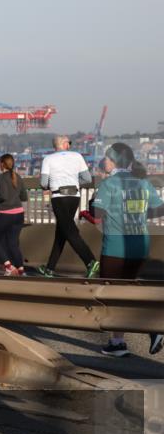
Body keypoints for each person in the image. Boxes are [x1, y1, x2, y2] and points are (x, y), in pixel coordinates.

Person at [90, 143, 164, 357]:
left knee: (111, 295)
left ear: (113, 161)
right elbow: (159, 208)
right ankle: (117, 342)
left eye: (106, 158)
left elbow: (98, 214)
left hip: (116, 246)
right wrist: (139, 216)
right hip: (140, 245)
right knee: (125, 292)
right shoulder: (143, 183)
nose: (103, 161)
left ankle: (152, 328)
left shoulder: (108, 184)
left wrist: (93, 204)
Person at [37, 135, 99, 278]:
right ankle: (50, 269)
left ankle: (90, 261)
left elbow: (43, 183)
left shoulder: (48, 159)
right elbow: (88, 179)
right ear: (64, 144)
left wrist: (50, 185)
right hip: (74, 197)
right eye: (69, 143)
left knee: (69, 231)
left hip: (59, 197)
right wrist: (74, 183)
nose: (70, 145)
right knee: (62, 231)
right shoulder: (77, 156)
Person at [0, 154, 28, 277]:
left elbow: (3, 196)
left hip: (4, 214)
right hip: (18, 214)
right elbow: (24, 197)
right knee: (13, 243)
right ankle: (21, 269)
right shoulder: (18, 177)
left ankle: (9, 267)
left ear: (2, 164)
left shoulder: (0, 178)